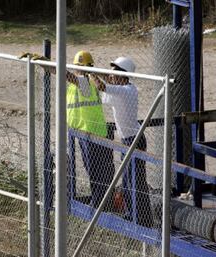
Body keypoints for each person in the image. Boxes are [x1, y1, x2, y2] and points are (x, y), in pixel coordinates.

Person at [93, 57, 153, 227]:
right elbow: (108, 84)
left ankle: (140, 217)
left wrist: (90, 73)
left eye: (115, 74)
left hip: (134, 140)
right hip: (127, 140)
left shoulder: (127, 90)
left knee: (135, 180)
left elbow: (102, 86)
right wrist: (102, 74)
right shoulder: (121, 89)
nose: (112, 77)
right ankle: (131, 213)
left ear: (124, 76)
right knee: (128, 180)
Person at [64, 51, 115, 208]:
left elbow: (64, 74)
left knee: (95, 171)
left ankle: (99, 204)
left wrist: (45, 63)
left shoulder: (84, 83)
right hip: (88, 131)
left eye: (77, 67)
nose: (75, 70)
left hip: (91, 132)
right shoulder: (84, 83)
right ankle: (102, 201)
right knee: (97, 171)